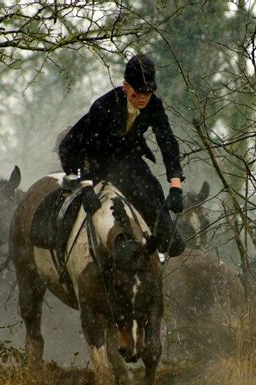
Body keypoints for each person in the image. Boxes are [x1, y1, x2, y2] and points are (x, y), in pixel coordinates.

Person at [59, 54, 186, 256]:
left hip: (125, 155)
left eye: (148, 92)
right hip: (83, 153)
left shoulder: (154, 105)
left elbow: (167, 141)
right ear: (126, 87)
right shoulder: (104, 106)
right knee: (127, 186)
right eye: (138, 92)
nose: (143, 97)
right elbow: (89, 150)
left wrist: (176, 184)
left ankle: (161, 236)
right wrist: (86, 186)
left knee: (151, 186)